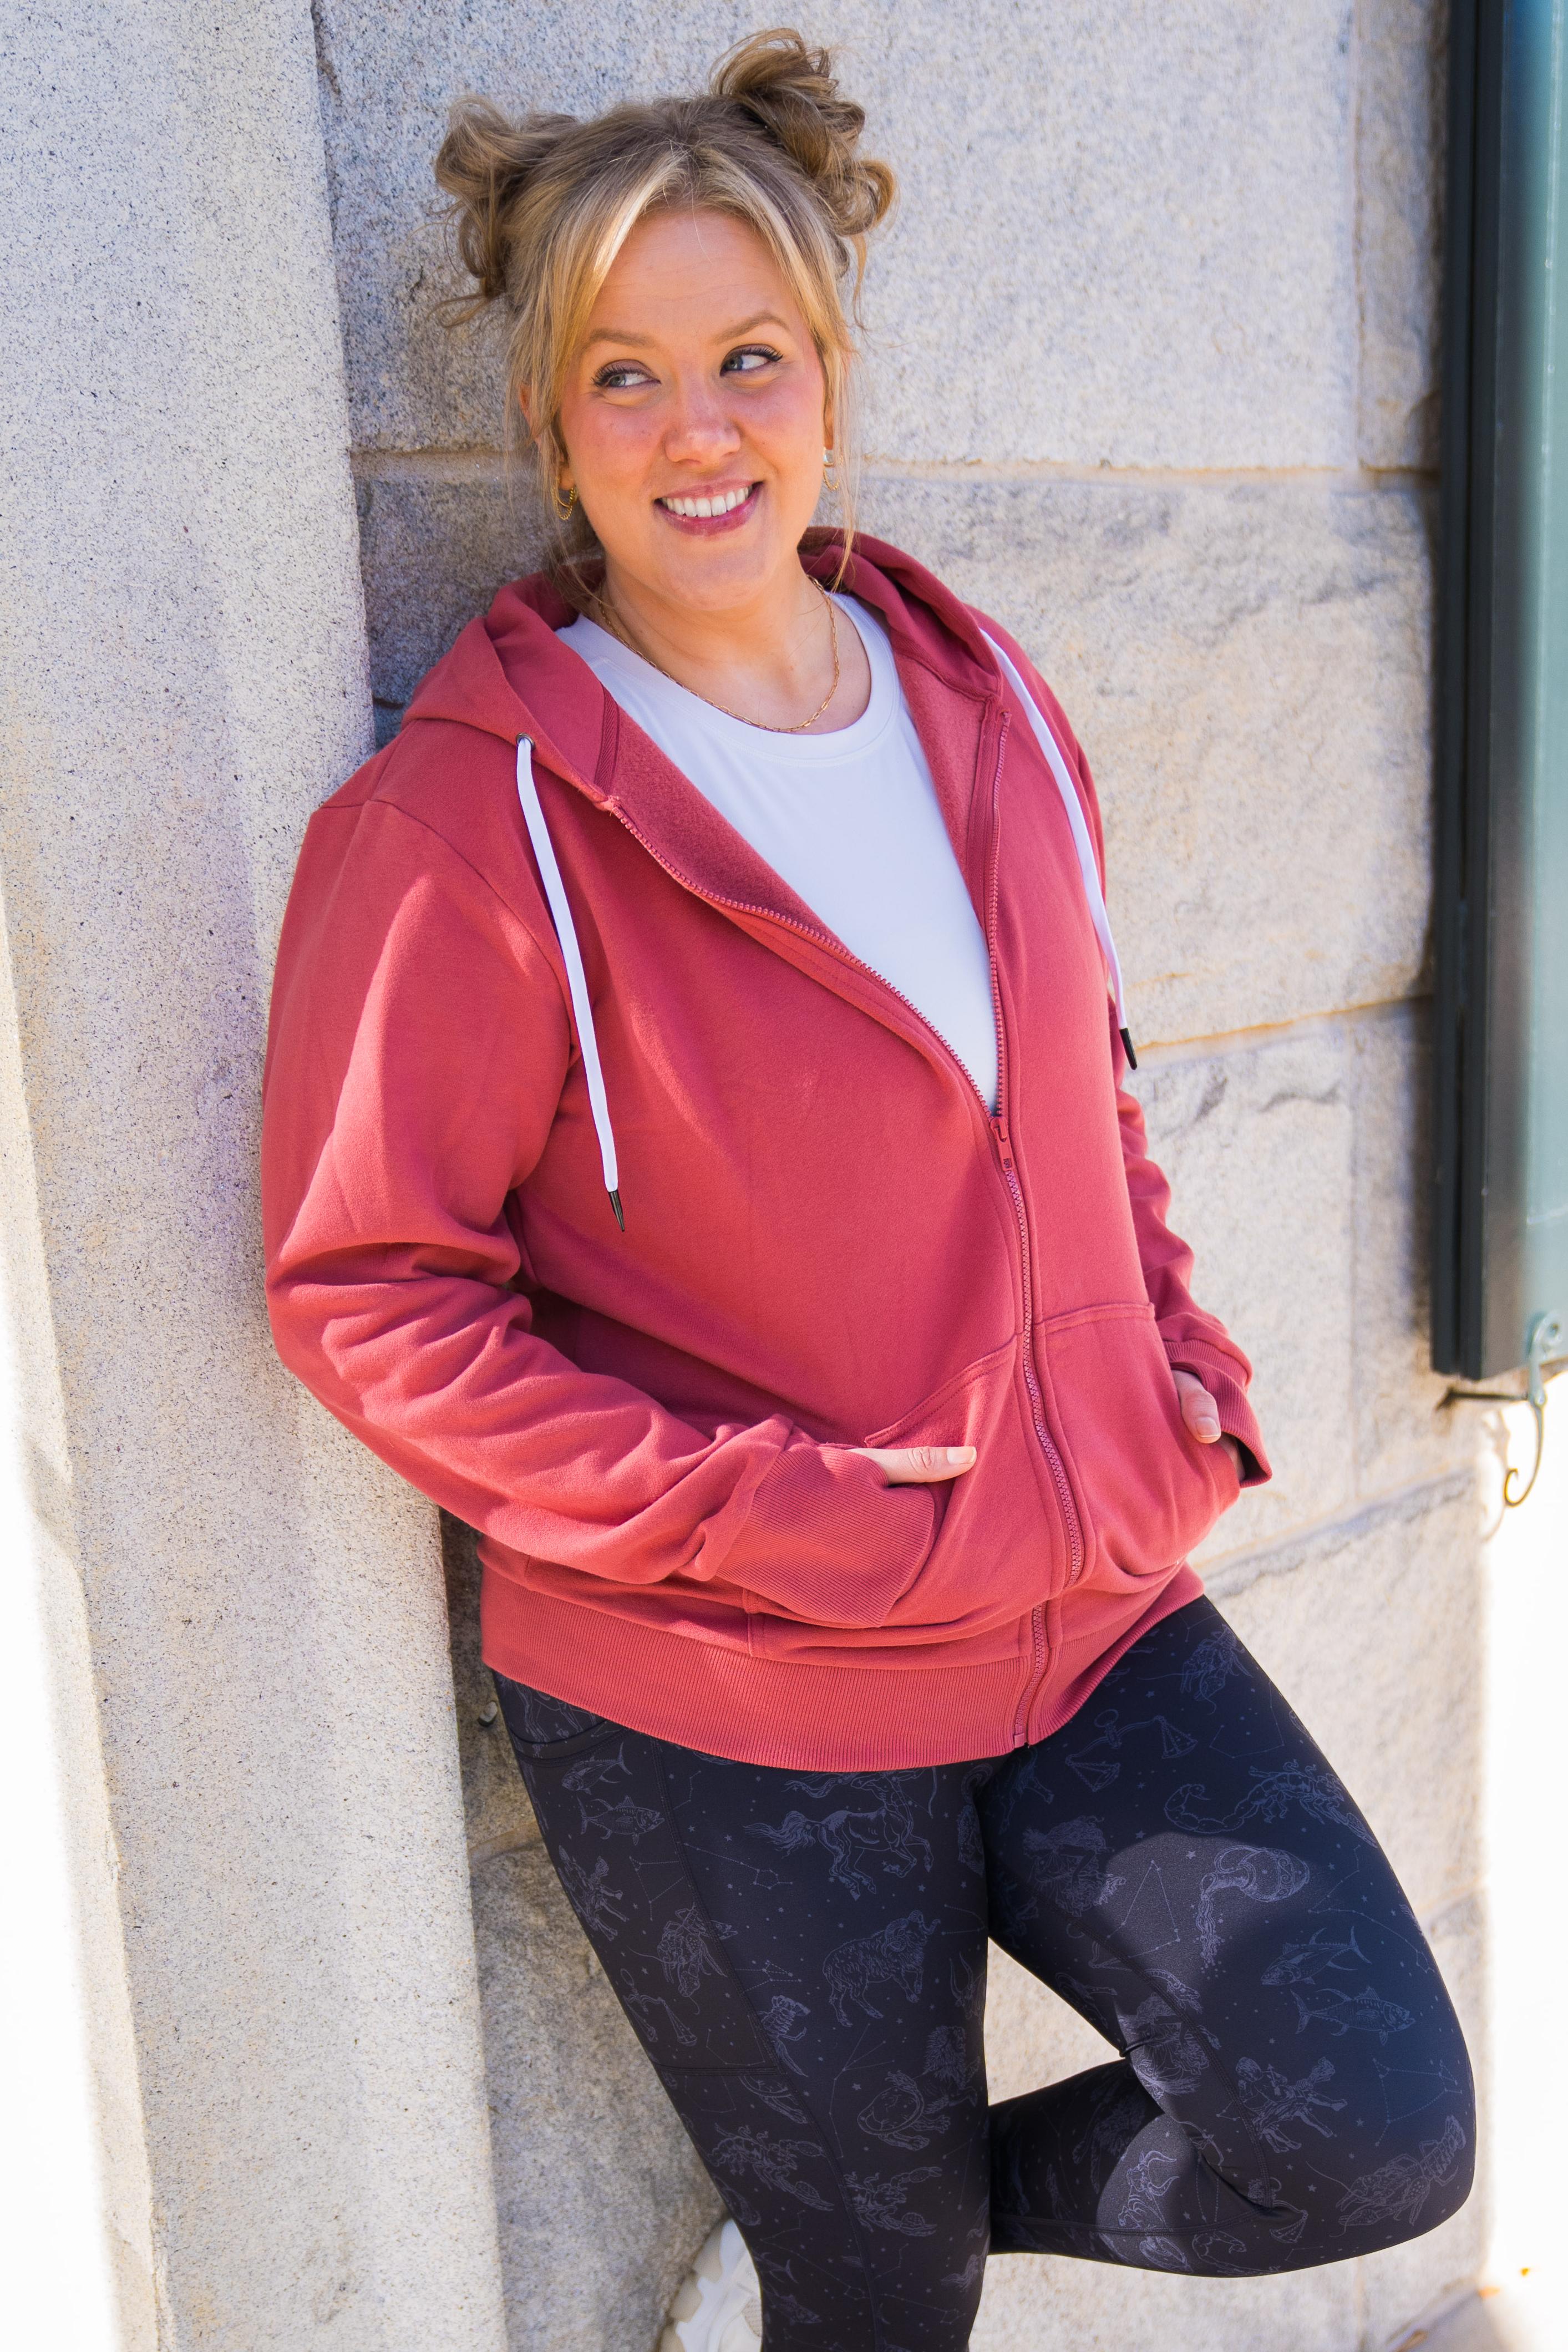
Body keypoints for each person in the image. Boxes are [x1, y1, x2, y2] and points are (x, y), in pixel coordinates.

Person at [261, 31, 1473, 2351]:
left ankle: (883, 2209)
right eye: (624, 377)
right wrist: (758, 1514)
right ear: (551, 423)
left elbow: (1078, 1093)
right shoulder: (461, 824)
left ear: (824, 375)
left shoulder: (977, 692)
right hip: (730, 1684)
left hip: (1081, 1604)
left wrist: (1176, 1371)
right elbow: (369, 1293)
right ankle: (851, 2243)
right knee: (872, 2300)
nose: (695, 427)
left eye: (744, 358)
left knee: (1368, 2129)